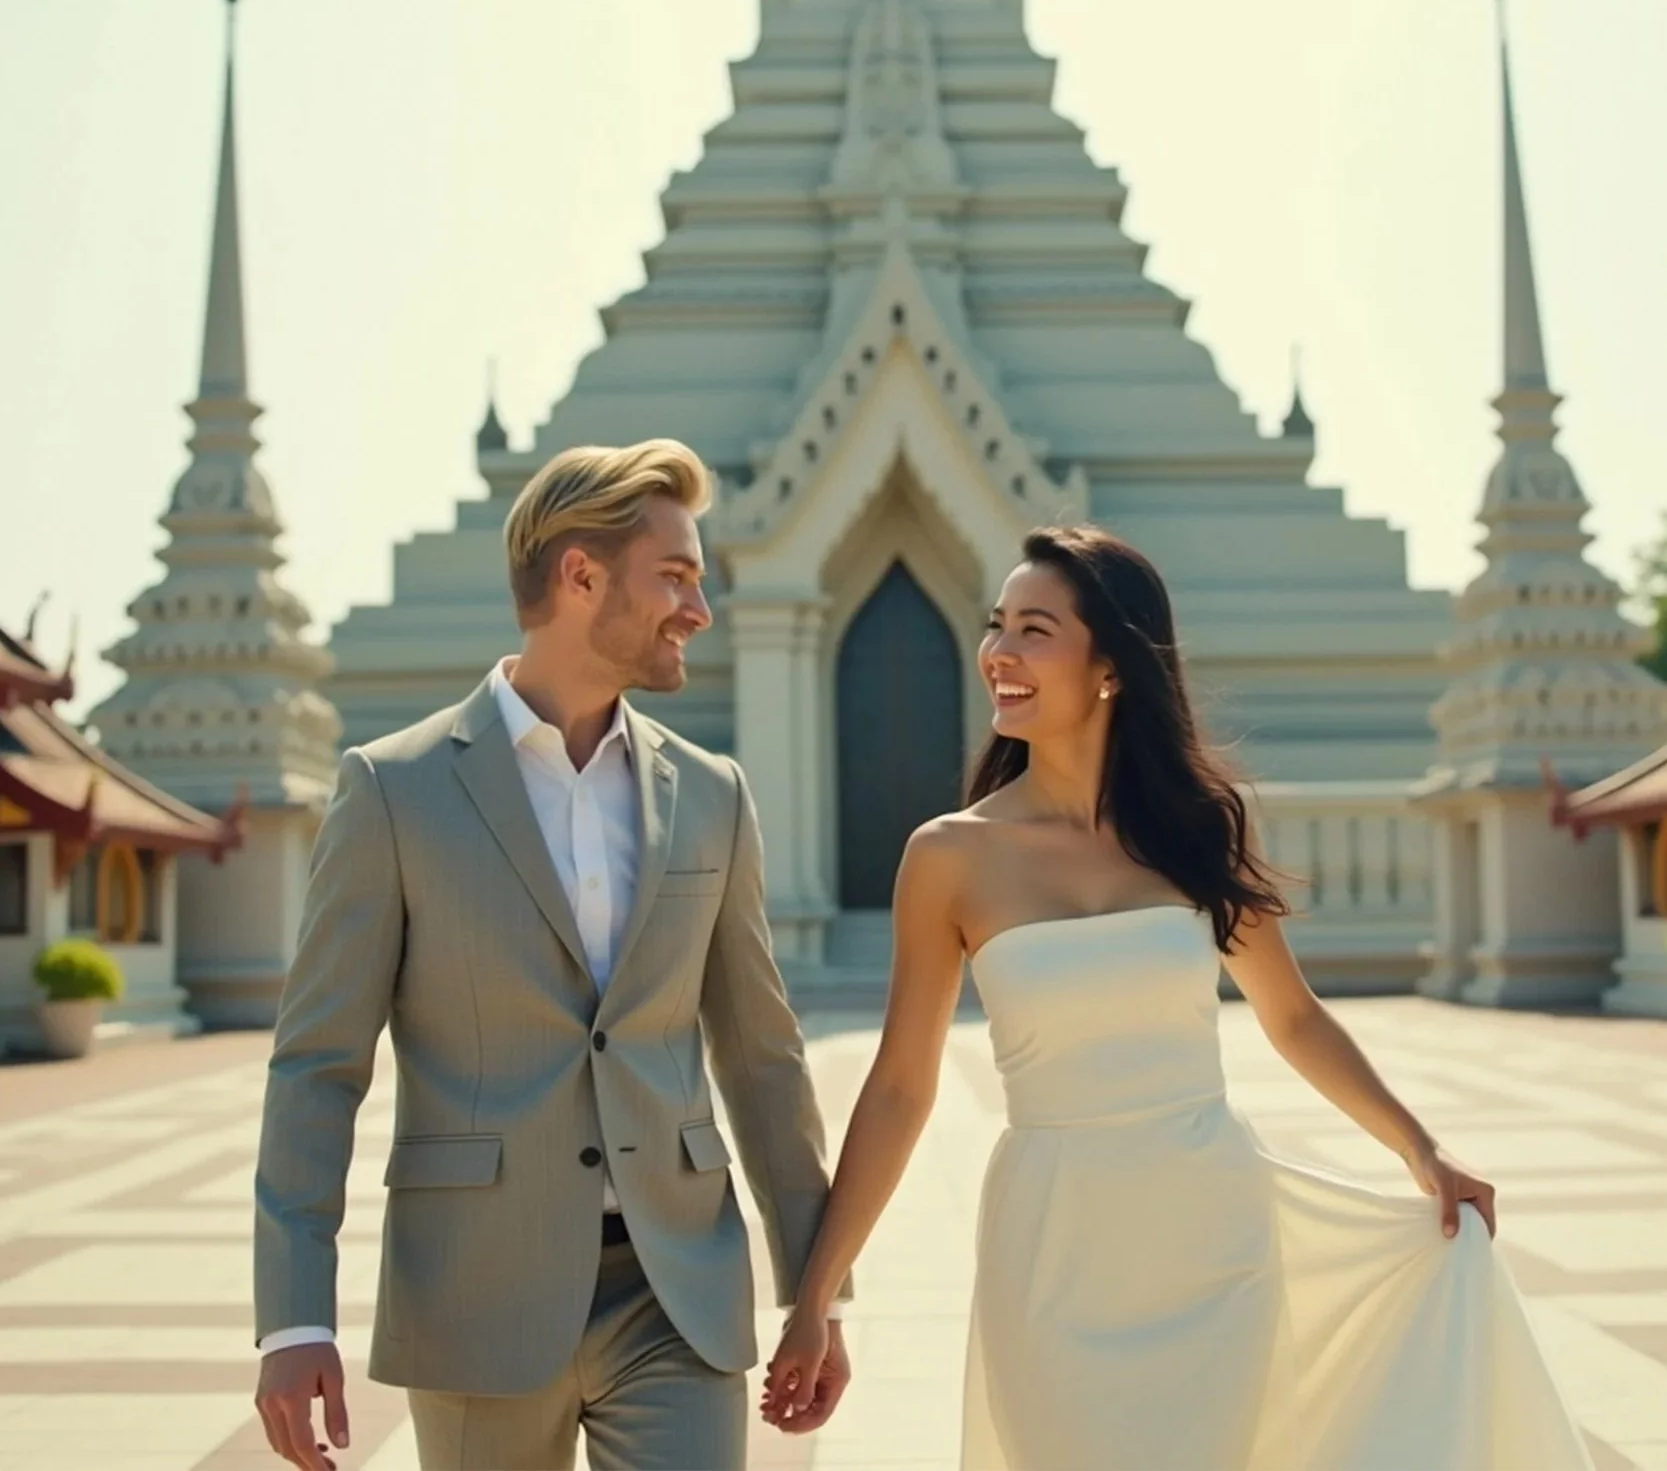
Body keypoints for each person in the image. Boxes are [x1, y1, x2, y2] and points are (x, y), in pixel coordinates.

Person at [763, 524, 1592, 1470]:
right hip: (1053, 1244)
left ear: (1110, 664)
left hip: (1210, 1229)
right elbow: (901, 1086)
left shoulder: (1197, 828)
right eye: (998, 626)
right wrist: (816, 1299)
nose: (999, 652)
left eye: (1034, 630)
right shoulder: (947, 855)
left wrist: (1422, 1150)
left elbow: (1291, 1015)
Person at [253, 440, 851, 1471]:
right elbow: (318, 1065)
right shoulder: (392, 791)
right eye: (676, 576)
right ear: (580, 575)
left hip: (675, 1290)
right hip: (477, 1294)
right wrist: (292, 1317)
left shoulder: (711, 795)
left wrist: (817, 1287)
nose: (698, 610)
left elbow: (762, 1057)